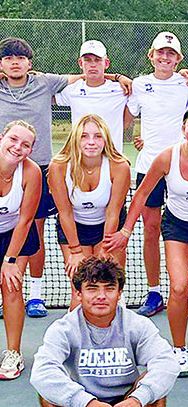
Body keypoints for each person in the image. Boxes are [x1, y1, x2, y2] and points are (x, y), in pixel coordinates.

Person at [0, 36, 127, 318]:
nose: (15, 63)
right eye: (8, 58)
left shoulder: (44, 82)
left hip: (39, 168)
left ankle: (35, 294)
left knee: (34, 229)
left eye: (20, 58)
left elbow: (84, 75)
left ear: (29, 64)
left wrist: (116, 75)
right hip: (4, 167)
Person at [104, 104, 188, 379]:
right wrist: (125, 232)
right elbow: (140, 195)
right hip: (177, 226)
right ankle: (179, 351)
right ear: (183, 128)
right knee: (179, 286)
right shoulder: (166, 158)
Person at [30, 256, 180, 406]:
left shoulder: (138, 325)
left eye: (109, 288)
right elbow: (42, 372)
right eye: (92, 289)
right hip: (83, 400)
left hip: (126, 400)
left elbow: (167, 363)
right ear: (78, 294)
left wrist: (138, 399)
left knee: (156, 394)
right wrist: (85, 402)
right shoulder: (63, 329)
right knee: (48, 397)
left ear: (119, 293)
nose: (101, 296)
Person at [126, 32, 188, 318]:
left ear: (178, 59)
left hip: (181, 168)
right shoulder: (139, 85)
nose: (165, 58)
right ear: (151, 56)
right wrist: (138, 139)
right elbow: (126, 118)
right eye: (160, 53)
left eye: (171, 54)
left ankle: (184, 290)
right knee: (150, 230)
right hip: (148, 168)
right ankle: (154, 292)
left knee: (185, 230)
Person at [47, 114, 130, 309]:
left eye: (97, 136)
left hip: (108, 228)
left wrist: (104, 250)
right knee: (80, 294)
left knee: (110, 285)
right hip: (73, 229)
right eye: (84, 136)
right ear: (75, 138)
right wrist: (75, 251)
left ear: (105, 139)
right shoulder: (58, 166)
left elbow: (113, 212)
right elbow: (65, 213)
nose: (91, 142)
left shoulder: (119, 166)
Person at [0, 120, 41, 380]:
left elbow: (26, 219)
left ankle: (13, 353)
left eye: (25, 145)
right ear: (2, 137)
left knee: (11, 286)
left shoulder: (31, 172)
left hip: (16, 234)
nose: (17, 147)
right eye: (13, 139)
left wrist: (9, 260)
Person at [55, 40, 131, 152]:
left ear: (106, 63)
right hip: (80, 160)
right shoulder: (72, 90)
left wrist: (118, 77)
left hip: (111, 159)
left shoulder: (121, 90)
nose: (93, 64)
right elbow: (47, 91)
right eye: (88, 60)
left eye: (97, 60)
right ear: (81, 63)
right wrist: (116, 76)